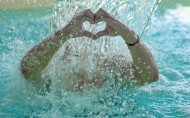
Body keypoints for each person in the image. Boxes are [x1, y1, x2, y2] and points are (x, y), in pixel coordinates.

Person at [20, 8, 159, 92]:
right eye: (75, 26)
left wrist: (126, 33)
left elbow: (150, 77)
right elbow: (26, 70)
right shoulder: (55, 67)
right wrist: (65, 33)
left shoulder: (111, 65)